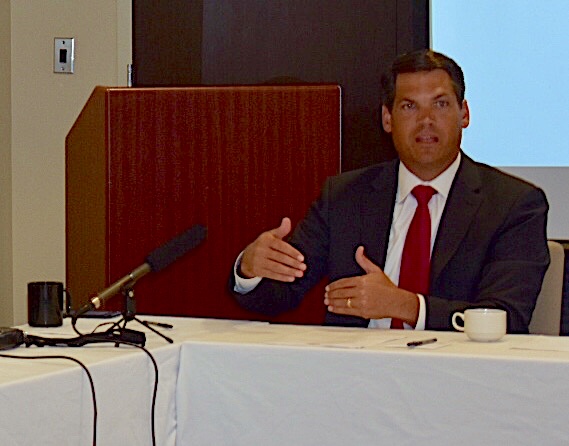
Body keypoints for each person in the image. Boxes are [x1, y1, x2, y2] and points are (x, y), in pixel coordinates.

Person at [230, 49, 549, 333]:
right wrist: (250, 269)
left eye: (440, 104)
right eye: (409, 106)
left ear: (464, 114)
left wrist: (406, 306)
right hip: (355, 370)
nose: (426, 120)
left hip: (459, 374)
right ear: (387, 119)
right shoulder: (344, 197)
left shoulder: (513, 205)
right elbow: (279, 296)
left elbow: (506, 317)